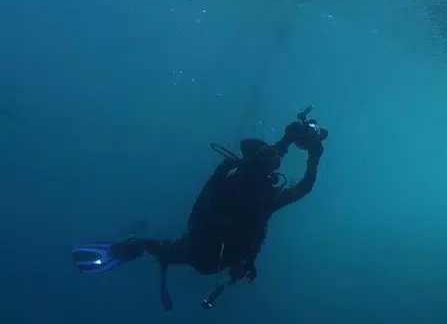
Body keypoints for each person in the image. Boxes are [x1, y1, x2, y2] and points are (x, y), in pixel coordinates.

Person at [72, 107, 328, 310]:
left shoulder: (240, 180)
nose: (276, 159)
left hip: (203, 248)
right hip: (214, 254)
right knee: (168, 250)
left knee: (165, 249)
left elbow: (270, 161)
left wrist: (291, 139)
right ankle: (134, 248)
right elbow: (302, 185)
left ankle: (131, 248)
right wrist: (313, 154)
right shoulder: (261, 194)